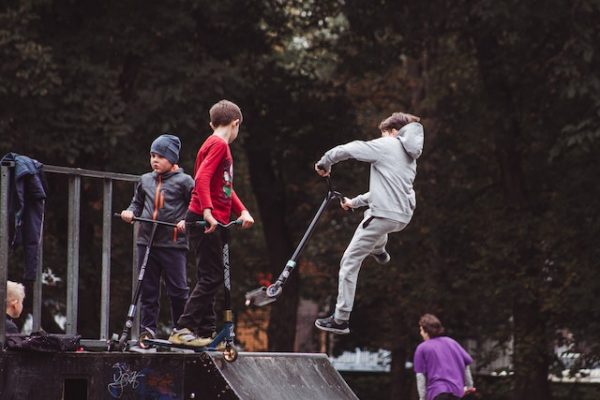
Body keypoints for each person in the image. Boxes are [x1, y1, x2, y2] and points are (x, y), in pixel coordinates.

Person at [314, 112, 424, 334]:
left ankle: (341, 319)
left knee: (349, 261)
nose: (381, 137)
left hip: (383, 217)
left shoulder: (388, 144)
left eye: (383, 133)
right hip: (401, 217)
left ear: (394, 131)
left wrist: (326, 161)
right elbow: (383, 192)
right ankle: (380, 250)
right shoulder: (410, 156)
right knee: (374, 221)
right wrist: (354, 203)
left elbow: (350, 149)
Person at [169, 99, 254, 347]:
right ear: (236, 124)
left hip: (210, 218)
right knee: (213, 277)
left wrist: (243, 210)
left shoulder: (212, 143)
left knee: (209, 275)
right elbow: (201, 178)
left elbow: (225, 188)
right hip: (205, 219)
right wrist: (207, 211)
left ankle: (205, 332)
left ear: (211, 123)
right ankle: (183, 327)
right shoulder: (219, 145)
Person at [121, 134, 194, 338]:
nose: (155, 160)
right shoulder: (145, 180)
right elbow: (136, 204)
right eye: (152, 155)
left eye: (160, 156)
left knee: (178, 289)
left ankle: (181, 329)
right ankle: (148, 330)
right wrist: (130, 212)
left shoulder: (185, 181)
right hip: (147, 242)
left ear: (172, 159)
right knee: (148, 289)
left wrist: (186, 220)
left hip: (173, 243)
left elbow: (194, 206)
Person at [414, 314, 475, 400]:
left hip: (438, 392)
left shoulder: (422, 348)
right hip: (456, 392)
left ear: (426, 331)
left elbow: (420, 376)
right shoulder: (452, 342)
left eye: (421, 330)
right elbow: (466, 365)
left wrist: (422, 398)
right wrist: (469, 386)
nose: (420, 333)